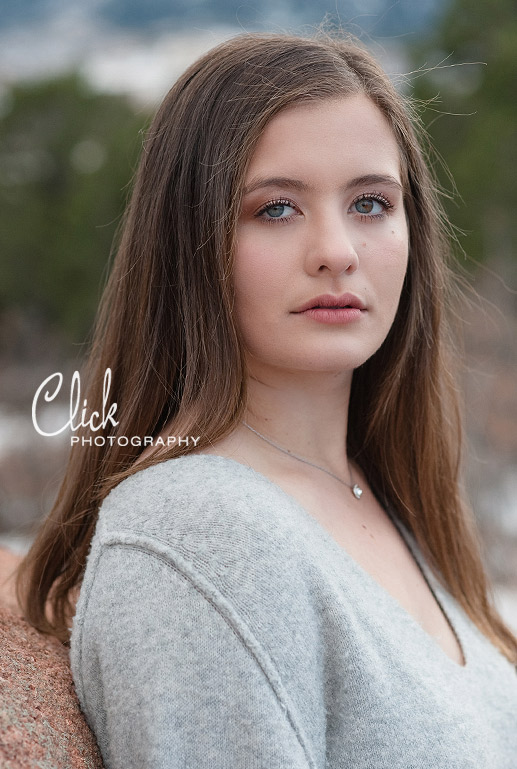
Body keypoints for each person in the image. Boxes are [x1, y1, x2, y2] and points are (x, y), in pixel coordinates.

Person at [16, 31, 517, 769]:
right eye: (276, 210)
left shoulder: (385, 495)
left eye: (371, 203)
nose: (337, 249)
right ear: (189, 239)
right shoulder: (195, 532)